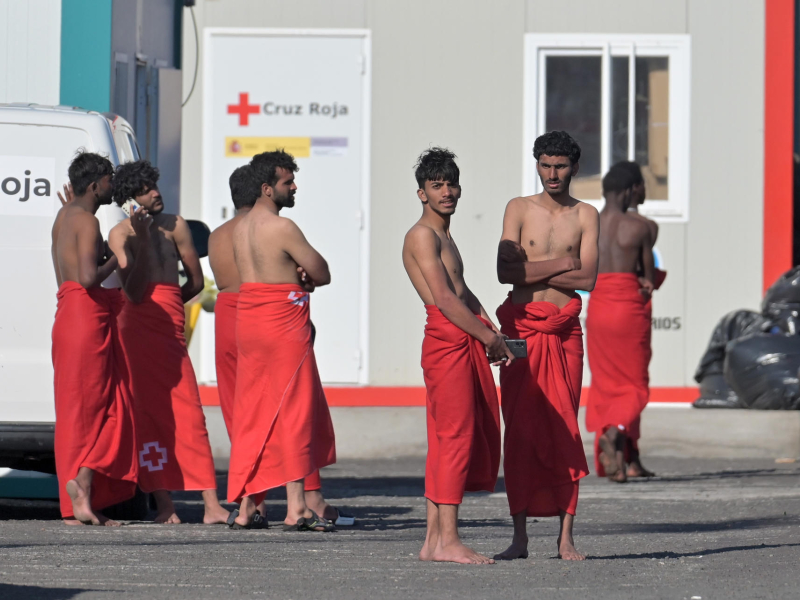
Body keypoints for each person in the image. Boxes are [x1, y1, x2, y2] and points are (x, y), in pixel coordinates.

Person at [208, 164, 353, 527]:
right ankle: (296, 506)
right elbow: (321, 272)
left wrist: (292, 272)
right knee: (294, 412)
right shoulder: (282, 227)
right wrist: (302, 276)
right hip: (282, 324)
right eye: (288, 182)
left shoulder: (236, 230)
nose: (294, 187)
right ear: (267, 189)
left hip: (248, 322)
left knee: (252, 412)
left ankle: (246, 507)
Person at [402, 147, 511, 565]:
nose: (446, 191)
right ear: (421, 193)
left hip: (462, 334)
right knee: (454, 438)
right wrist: (486, 336)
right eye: (436, 185)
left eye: (451, 184)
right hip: (447, 340)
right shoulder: (421, 235)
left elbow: (464, 292)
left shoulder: (445, 234)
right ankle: (448, 539)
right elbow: (445, 299)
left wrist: (491, 328)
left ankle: (433, 541)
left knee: (447, 438)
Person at [495, 130, 598, 561]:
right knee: (518, 430)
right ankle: (519, 537)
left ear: (574, 167)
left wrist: (531, 270)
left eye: (560, 165)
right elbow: (505, 271)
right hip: (522, 330)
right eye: (544, 164)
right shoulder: (518, 208)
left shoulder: (587, 214)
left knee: (563, 428)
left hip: (564, 332)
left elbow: (588, 279)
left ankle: (565, 536)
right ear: (536, 164)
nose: (552, 174)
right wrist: (562, 263)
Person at [108, 160, 229, 525]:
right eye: (146, 190)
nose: (155, 193)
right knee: (148, 416)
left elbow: (194, 280)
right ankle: (166, 507)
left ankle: (211, 505)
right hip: (136, 328)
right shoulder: (120, 234)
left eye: (155, 186)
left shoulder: (176, 225)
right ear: (130, 199)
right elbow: (131, 290)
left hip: (169, 326)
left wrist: (171, 301)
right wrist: (142, 241)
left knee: (190, 412)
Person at [50, 152, 138, 525]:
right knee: (109, 409)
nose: (112, 186)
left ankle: (76, 504)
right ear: (93, 185)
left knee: (75, 414)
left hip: (69, 318)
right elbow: (88, 277)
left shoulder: (64, 216)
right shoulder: (85, 221)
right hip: (86, 319)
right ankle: (83, 486)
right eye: (108, 180)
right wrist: (118, 258)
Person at [585, 165, 656, 483]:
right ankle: (614, 434)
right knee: (635, 384)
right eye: (641, 187)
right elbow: (648, 279)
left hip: (599, 306)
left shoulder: (588, 225)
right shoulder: (641, 227)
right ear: (630, 190)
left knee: (607, 382)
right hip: (628, 307)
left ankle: (629, 456)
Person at [613, 161, 666, 290]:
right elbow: (644, 272)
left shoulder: (602, 221)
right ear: (635, 187)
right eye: (644, 183)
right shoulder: (647, 226)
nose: (645, 188)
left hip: (603, 296)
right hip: (632, 293)